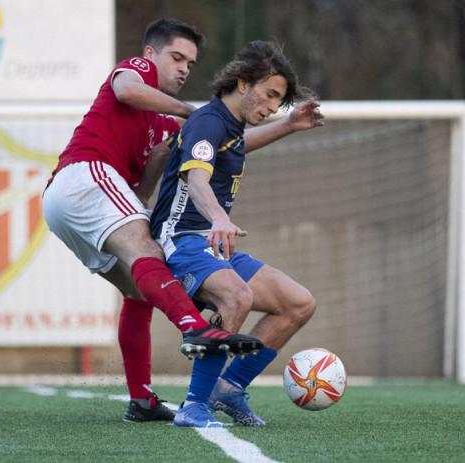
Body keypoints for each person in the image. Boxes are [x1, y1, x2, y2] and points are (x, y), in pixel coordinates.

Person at [42, 19, 263, 423]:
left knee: (141, 292)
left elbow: (175, 161)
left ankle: (141, 401)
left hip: (71, 202)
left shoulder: (163, 126)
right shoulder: (136, 72)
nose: (183, 69)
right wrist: (187, 110)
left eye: (191, 64)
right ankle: (195, 327)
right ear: (150, 55)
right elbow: (125, 89)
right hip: (84, 174)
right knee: (149, 251)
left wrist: (287, 125)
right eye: (176, 57)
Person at [150, 40, 325, 427]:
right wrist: (218, 217)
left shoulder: (228, 126)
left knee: (298, 303)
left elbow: (237, 148)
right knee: (237, 296)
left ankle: (227, 390)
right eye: (270, 95)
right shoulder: (208, 121)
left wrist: (288, 125)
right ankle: (194, 406)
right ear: (244, 82)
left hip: (211, 243)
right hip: (181, 239)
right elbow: (197, 179)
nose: (271, 106)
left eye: (278, 101)